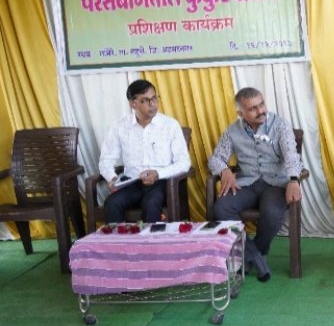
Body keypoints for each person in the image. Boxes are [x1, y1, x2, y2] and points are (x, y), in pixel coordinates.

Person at [208, 87, 302, 282]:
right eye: (253, 108)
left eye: (261, 104)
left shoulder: (280, 125)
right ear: (241, 113)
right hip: (247, 183)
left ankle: (252, 254)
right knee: (222, 207)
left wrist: (293, 179)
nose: (261, 111)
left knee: (272, 211)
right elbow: (216, 158)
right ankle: (256, 257)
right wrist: (224, 170)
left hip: (276, 183)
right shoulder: (232, 131)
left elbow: (292, 155)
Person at [98, 79, 191, 224]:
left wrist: (158, 173)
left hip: (161, 182)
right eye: (145, 100)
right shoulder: (120, 127)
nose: (153, 104)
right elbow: (106, 160)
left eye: (154, 98)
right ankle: (120, 246)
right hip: (131, 182)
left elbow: (184, 163)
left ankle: (151, 246)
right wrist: (112, 178)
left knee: (151, 203)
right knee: (112, 203)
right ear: (133, 104)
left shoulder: (170, 125)